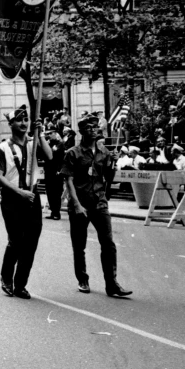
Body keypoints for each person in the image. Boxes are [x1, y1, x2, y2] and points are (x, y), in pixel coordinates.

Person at [61, 113, 132, 297]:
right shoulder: (73, 153)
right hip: (80, 204)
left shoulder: (104, 152)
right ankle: (82, 279)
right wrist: (76, 204)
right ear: (81, 131)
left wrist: (113, 164)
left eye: (95, 127)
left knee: (108, 243)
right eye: (89, 128)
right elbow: (69, 181)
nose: (93, 130)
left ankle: (111, 283)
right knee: (79, 245)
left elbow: (108, 178)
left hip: (99, 202)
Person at [0, 105, 52, 299]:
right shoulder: (2, 149)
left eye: (26, 120)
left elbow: (49, 156)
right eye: (19, 120)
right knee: (16, 241)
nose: (24, 123)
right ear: (10, 124)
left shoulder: (34, 143)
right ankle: (6, 278)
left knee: (31, 243)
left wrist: (40, 132)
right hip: (12, 198)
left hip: (32, 197)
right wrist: (19, 192)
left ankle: (21, 285)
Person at [44, 131, 65, 220]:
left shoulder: (60, 144)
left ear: (55, 134)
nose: (48, 135)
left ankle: (57, 212)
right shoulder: (47, 144)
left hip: (57, 170)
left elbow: (56, 155)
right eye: (47, 134)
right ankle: (53, 211)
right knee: (49, 192)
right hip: (48, 170)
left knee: (56, 192)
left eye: (50, 133)